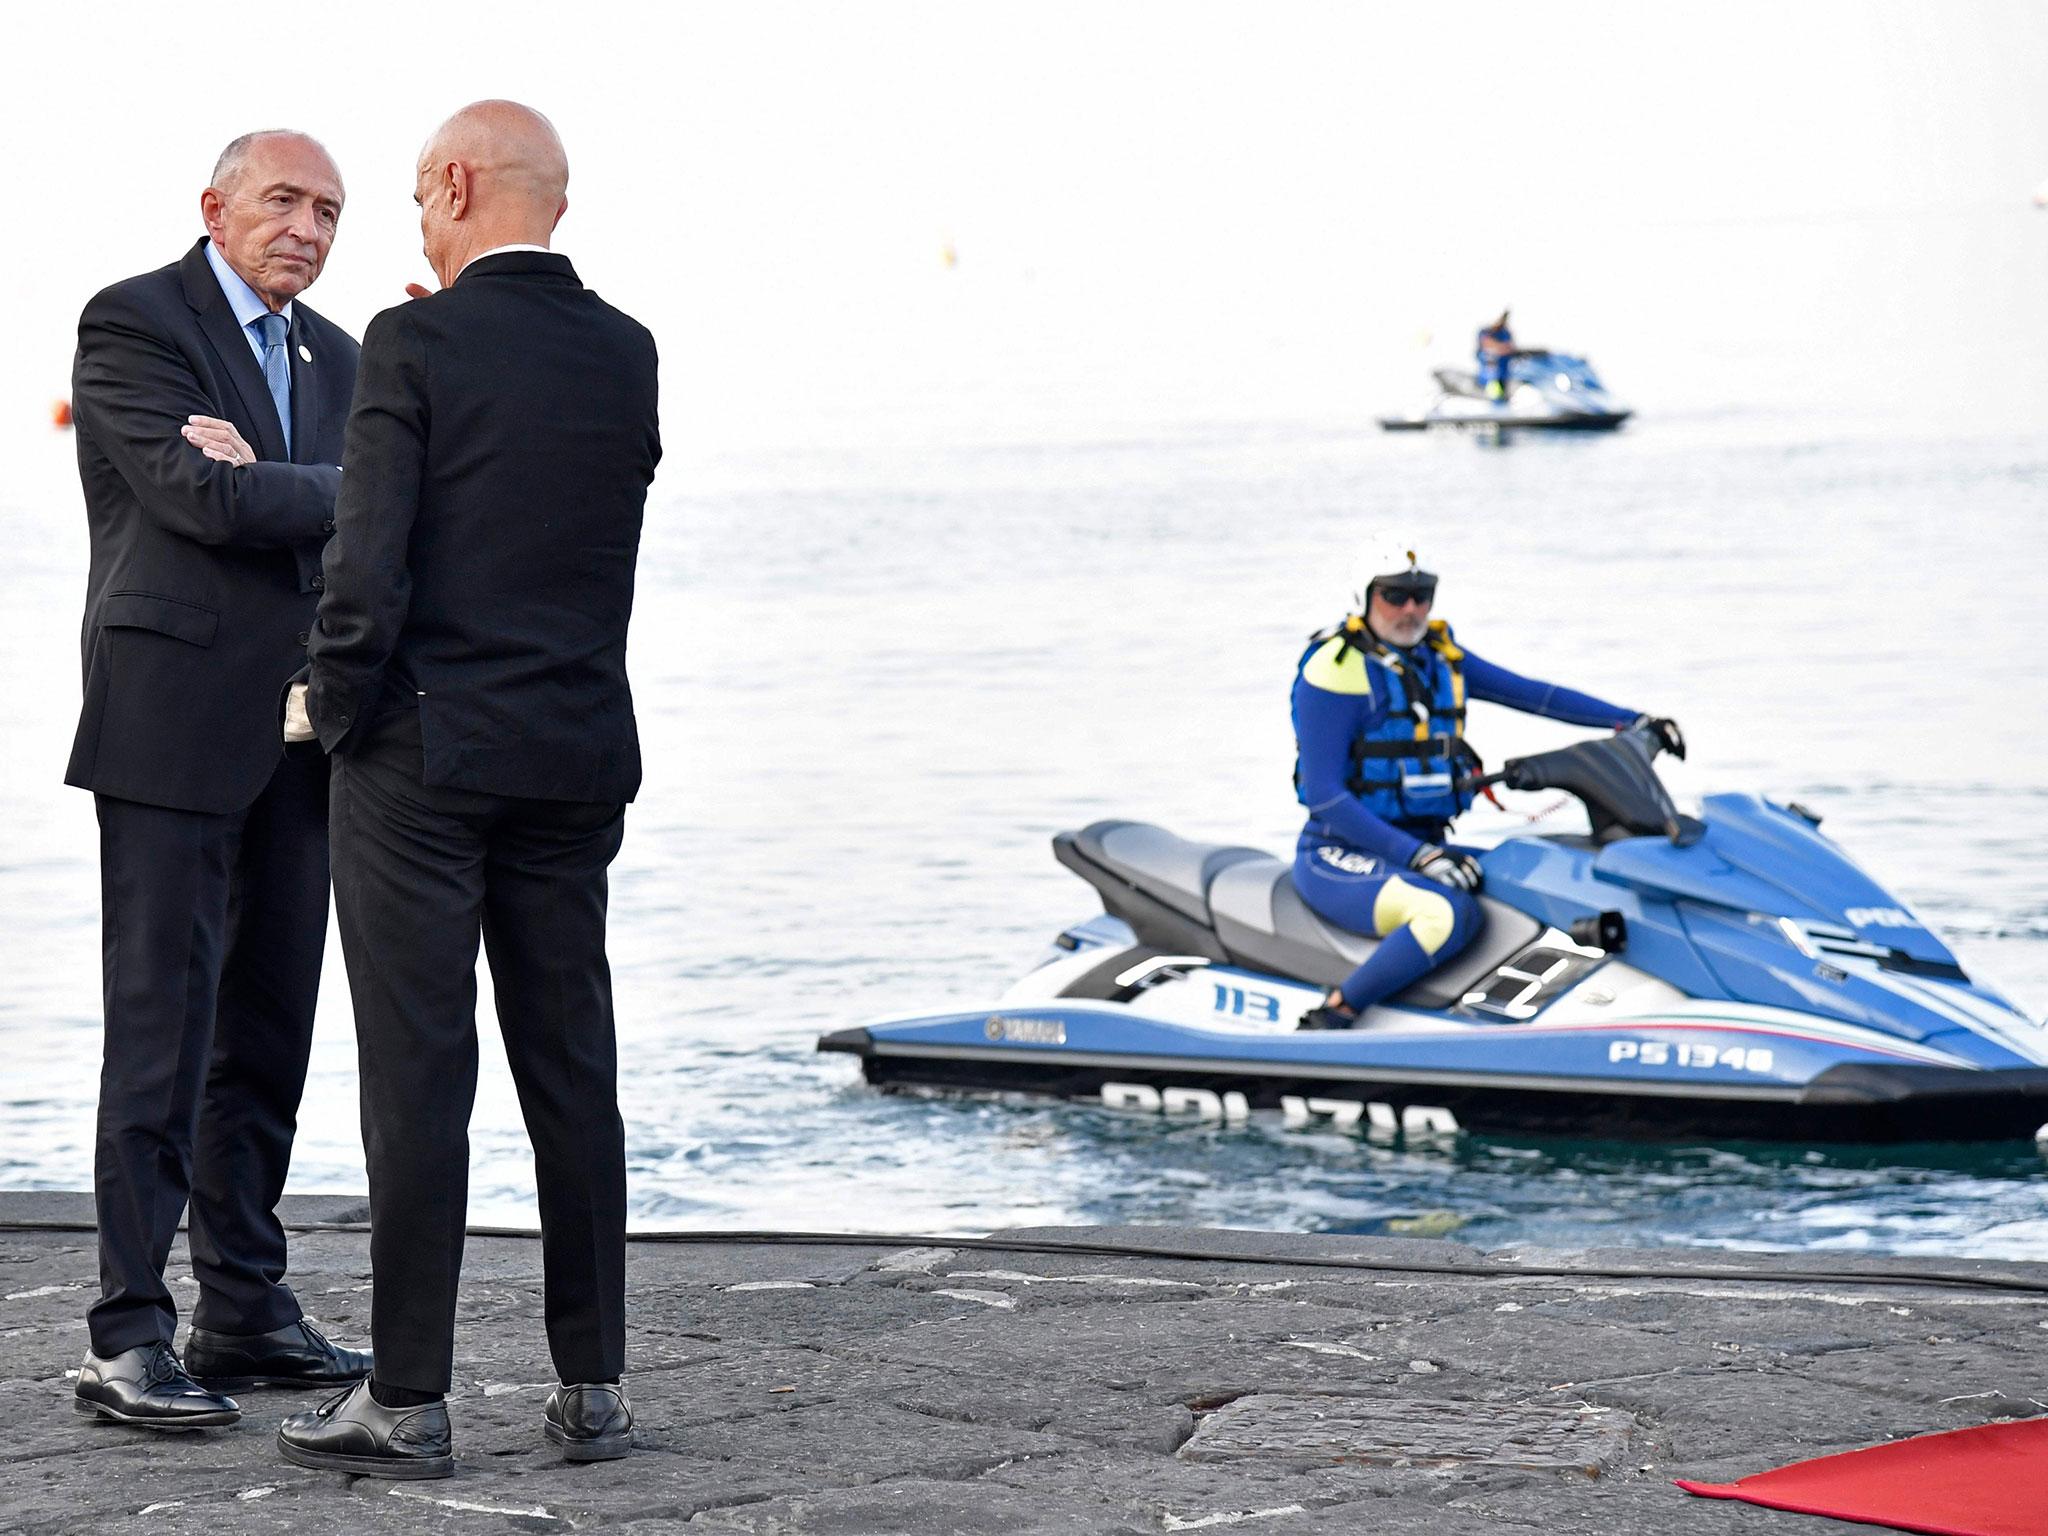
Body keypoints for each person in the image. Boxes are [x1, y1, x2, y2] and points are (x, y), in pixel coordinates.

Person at [276, 101, 661, 1480]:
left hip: (426, 759)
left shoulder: (412, 341)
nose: (413, 226)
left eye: (415, 199)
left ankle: (412, 1396)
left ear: (451, 183)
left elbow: (367, 569)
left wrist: (332, 710)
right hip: (573, 753)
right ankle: (593, 1385)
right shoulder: (626, 353)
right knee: (573, 1068)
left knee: (420, 1075)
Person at [65, 131, 372, 1430]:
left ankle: (241, 1304)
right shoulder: (135, 322)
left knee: (267, 1030)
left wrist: (295, 485)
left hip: (302, 738)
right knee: (160, 1029)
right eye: (284, 201)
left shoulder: (341, 356)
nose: (306, 227)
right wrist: (331, 490)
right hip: (167, 724)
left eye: (330, 212)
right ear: (216, 207)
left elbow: (378, 517)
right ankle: (129, 1329)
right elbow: (196, 500)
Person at [1290, 543, 1682, 1031]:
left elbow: (1534, 695)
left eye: (1422, 594)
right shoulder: (1336, 670)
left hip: (1423, 846)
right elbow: (1324, 795)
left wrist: (1633, 721)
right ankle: (1337, 1010)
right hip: (1337, 855)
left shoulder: (1436, 657)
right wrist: (1420, 858)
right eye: (1395, 595)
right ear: (1364, 597)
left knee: (1540, 875)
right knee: (1446, 915)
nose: (1411, 608)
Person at [1476, 308, 1516, 400]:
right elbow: (1486, 343)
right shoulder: (1485, 332)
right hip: (1489, 375)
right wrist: (1499, 347)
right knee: (1492, 396)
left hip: (1502, 374)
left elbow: (1508, 348)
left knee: (1501, 396)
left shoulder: (1505, 333)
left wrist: (1499, 348)